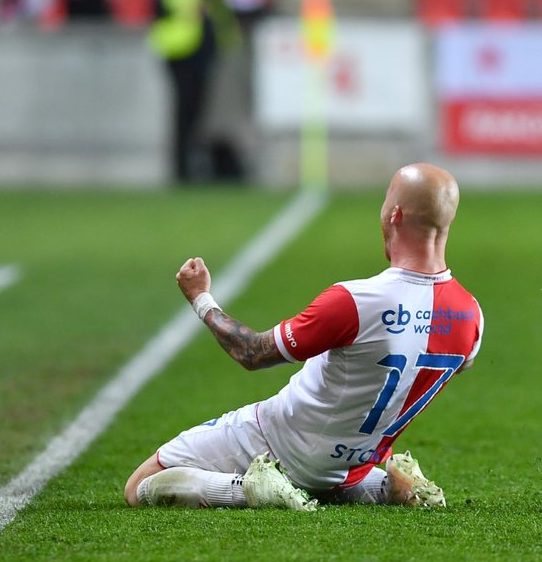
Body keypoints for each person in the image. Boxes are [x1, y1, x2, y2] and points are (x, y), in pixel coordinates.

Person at [125, 163, 483, 510]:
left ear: (395, 215)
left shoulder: (356, 301)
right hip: (351, 467)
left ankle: (252, 488)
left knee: (141, 485)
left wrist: (201, 298)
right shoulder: (471, 317)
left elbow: (252, 353)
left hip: (281, 442)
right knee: (344, 457)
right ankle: (388, 485)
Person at [148, 0, 240, 183]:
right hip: (180, 55)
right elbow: (169, 9)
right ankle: (181, 170)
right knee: (184, 113)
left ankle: (192, 166)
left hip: (201, 56)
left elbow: (220, 15)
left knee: (196, 114)